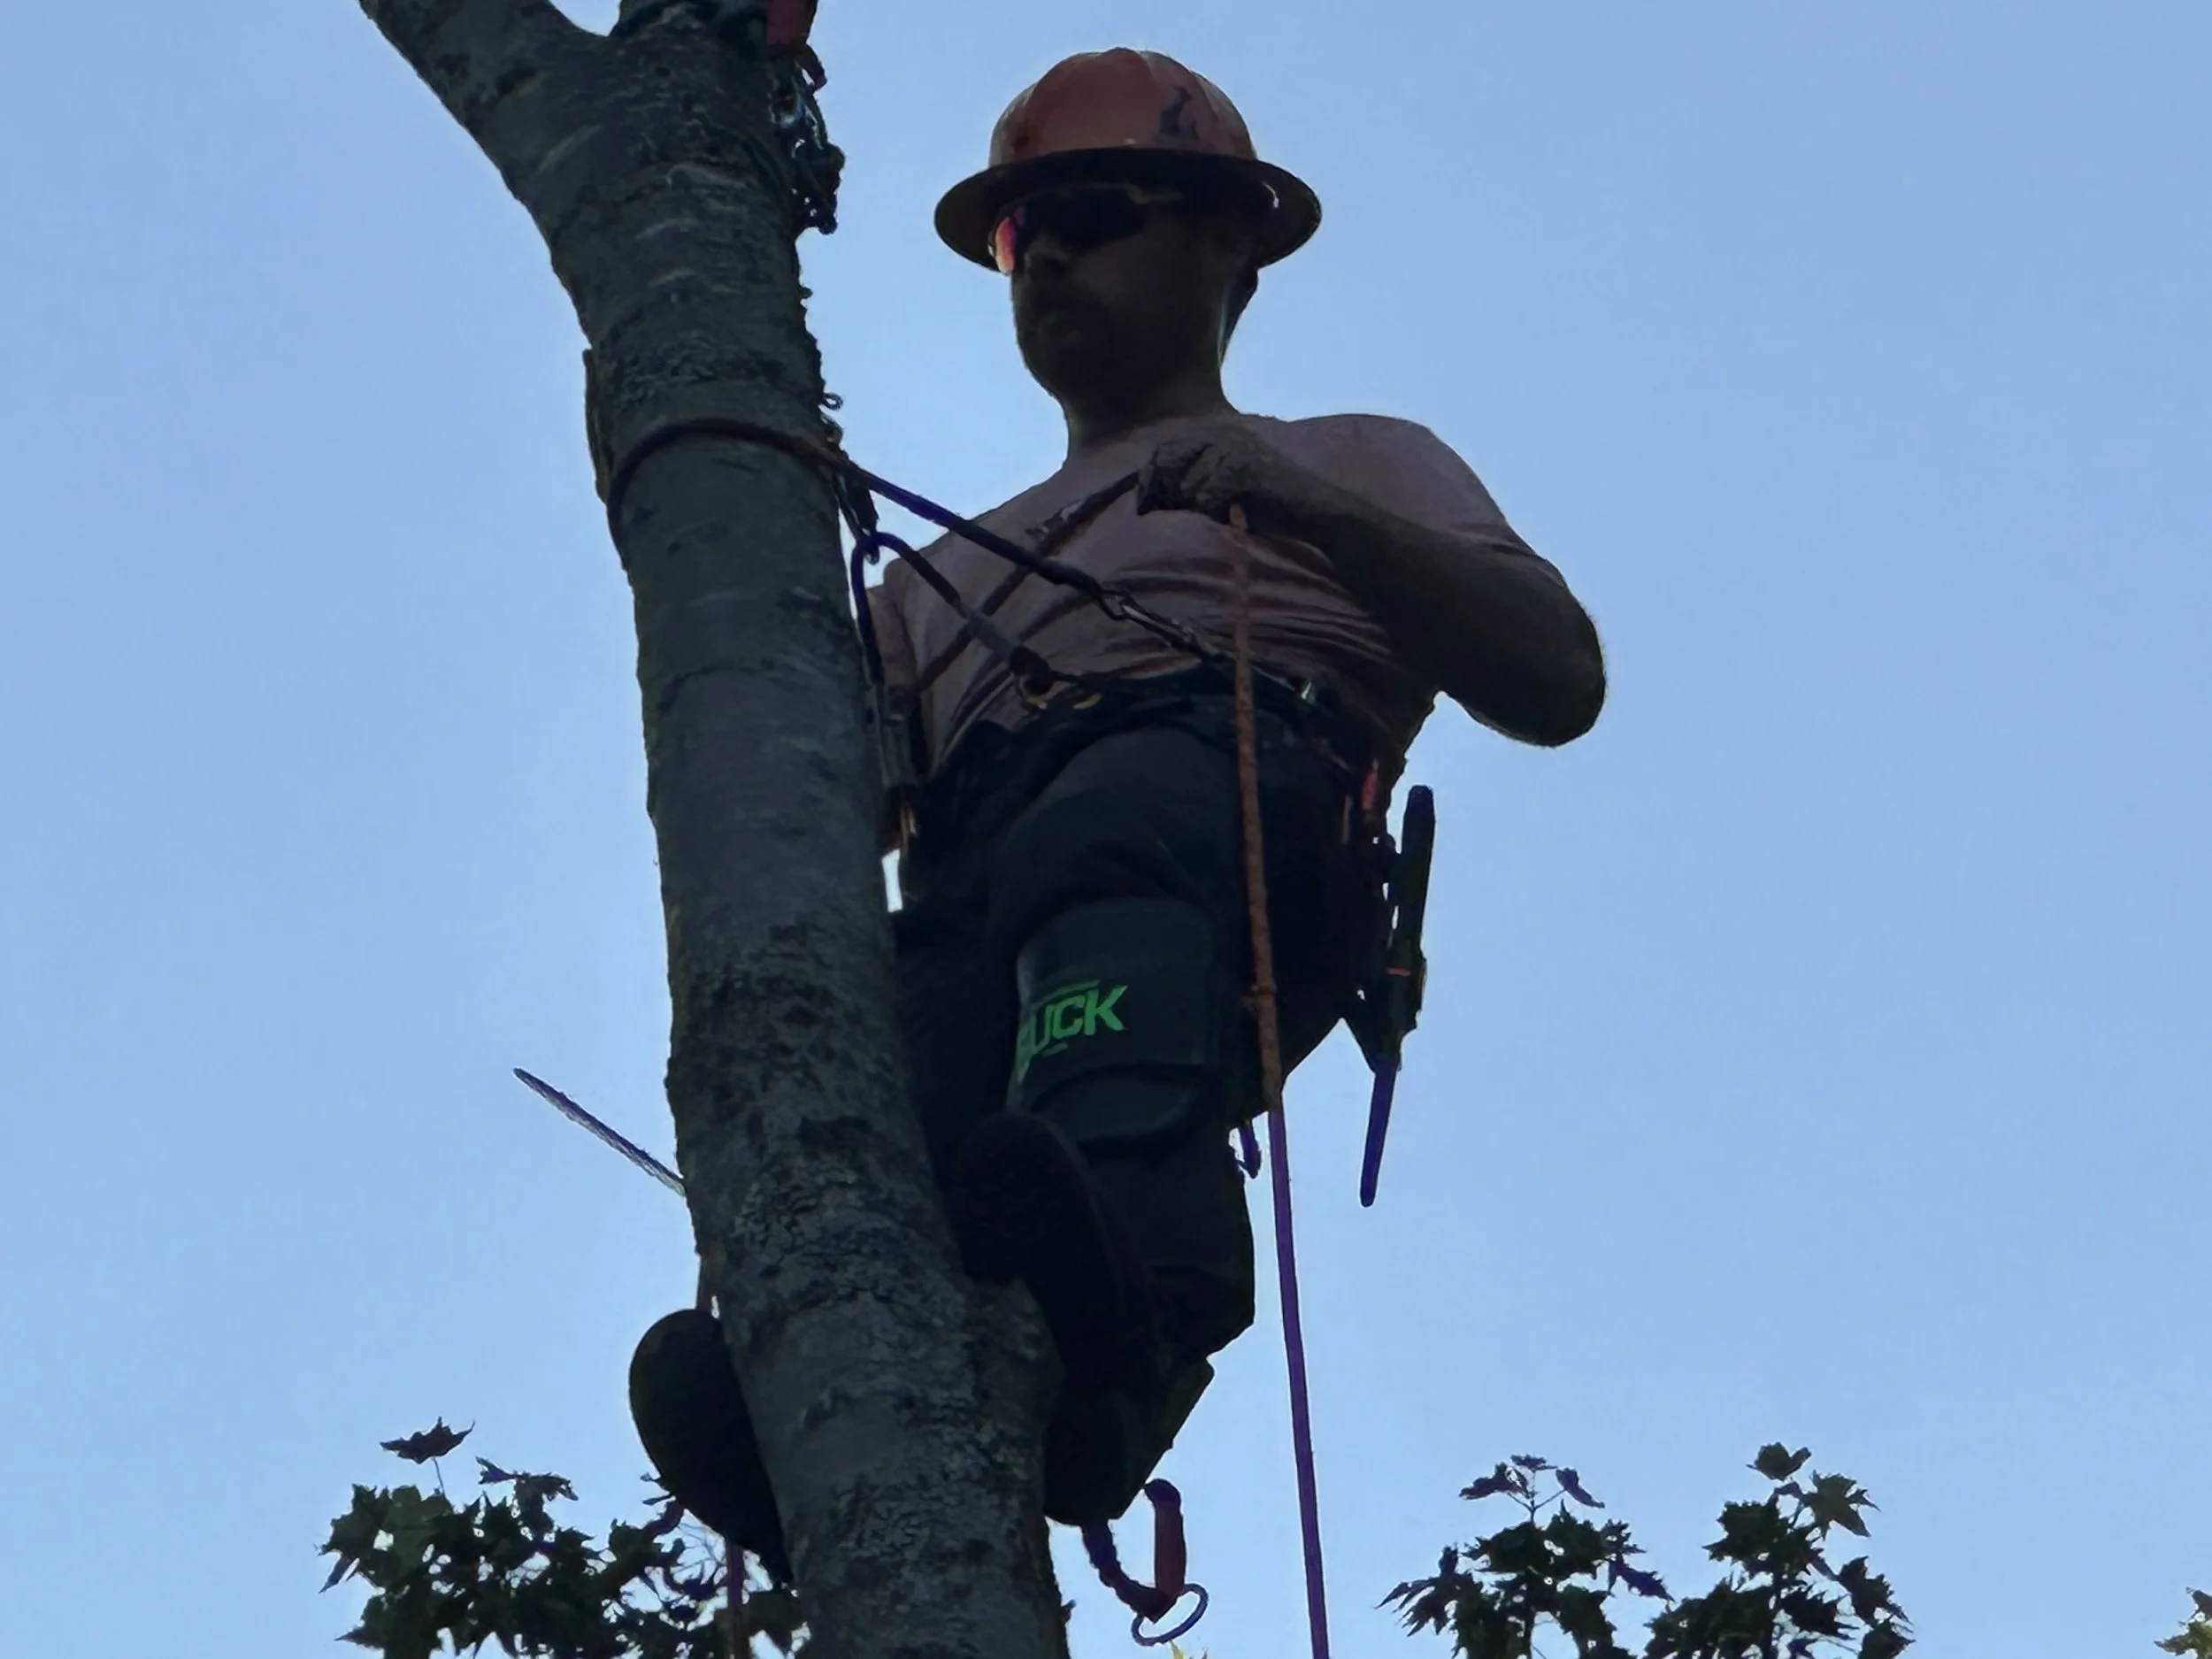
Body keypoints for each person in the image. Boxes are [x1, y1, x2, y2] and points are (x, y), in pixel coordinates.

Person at [628, 46, 1605, 1572]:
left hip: (1224, 794)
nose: (1054, 255)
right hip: (996, 887)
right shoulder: (932, 584)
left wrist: (1308, 516)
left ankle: (1140, 1294)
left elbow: (1556, 673)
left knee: (1104, 828)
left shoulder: (1345, 457)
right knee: (862, 1029)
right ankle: (825, 1400)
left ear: (1229, 243)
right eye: (1026, 236)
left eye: (1093, 210)